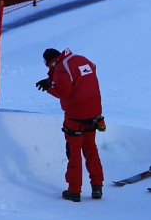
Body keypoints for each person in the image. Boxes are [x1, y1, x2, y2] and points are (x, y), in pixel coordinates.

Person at [36, 48, 105, 202]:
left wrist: (49, 88)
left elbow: (64, 91)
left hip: (76, 115)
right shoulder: (81, 58)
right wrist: (50, 82)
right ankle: (97, 186)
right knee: (90, 148)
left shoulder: (60, 67)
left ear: (50, 61)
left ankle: (74, 190)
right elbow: (79, 76)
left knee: (73, 151)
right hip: (94, 112)